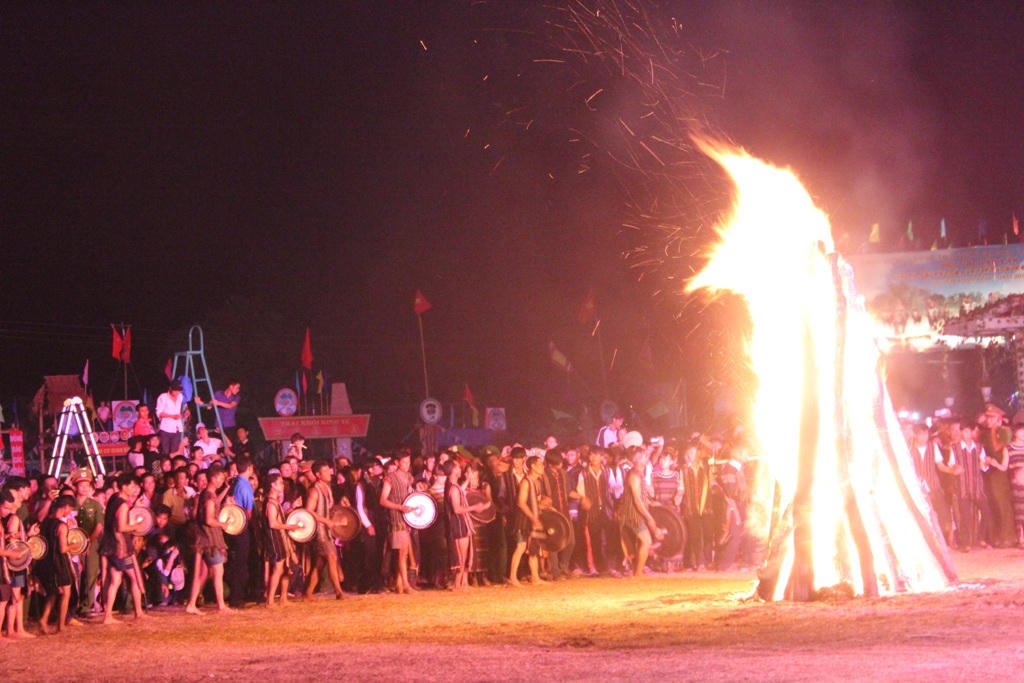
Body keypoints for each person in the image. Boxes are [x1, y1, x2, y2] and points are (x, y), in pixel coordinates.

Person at [100, 473, 147, 625]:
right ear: (124, 486)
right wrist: (136, 526)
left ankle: (136, 612)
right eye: (132, 486)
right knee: (127, 578)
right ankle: (110, 615)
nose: (134, 489)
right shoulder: (123, 504)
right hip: (120, 547)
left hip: (111, 544)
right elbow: (121, 526)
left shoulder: (115, 498)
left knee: (116, 579)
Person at [185, 464, 232, 614]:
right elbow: (209, 519)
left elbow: (214, 503)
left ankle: (191, 604)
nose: (221, 481)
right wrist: (223, 524)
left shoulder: (207, 494)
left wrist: (226, 489)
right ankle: (221, 605)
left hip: (203, 538)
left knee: (202, 573)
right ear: (213, 477)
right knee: (218, 571)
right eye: (220, 478)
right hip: (210, 538)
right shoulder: (209, 496)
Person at [37, 495, 81, 633]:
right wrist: (74, 545)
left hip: (46, 560)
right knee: (66, 593)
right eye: (70, 509)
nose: (70, 512)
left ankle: (44, 619)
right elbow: (63, 548)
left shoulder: (45, 522)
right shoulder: (61, 526)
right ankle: (60, 624)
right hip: (59, 562)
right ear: (66, 507)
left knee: (53, 592)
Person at [303, 461, 345, 600]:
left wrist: (339, 506)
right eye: (326, 471)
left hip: (327, 531)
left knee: (320, 563)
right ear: (318, 475)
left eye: (329, 470)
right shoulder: (315, 491)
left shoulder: (327, 488)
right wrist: (326, 521)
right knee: (332, 557)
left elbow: (328, 508)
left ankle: (308, 592)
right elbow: (308, 511)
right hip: (320, 532)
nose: (330, 473)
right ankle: (339, 591)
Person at [619, 447, 663, 577]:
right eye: (644, 456)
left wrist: (651, 503)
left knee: (642, 542)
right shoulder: (634, 475)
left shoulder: (638, 474)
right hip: (632, 514)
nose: (647, 457)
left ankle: (637, 572)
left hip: (636, 513)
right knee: (647, 541)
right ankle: (637, 573)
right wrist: (649, 518)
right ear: (639, 459)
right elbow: (637, 501)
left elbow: (641, 498)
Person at [379, 452, 416, 594]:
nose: (407, 465)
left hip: (408, 518)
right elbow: (382, 500)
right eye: (404, 462)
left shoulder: (409, 477)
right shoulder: (390, 478)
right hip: (396, 518)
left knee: (405, 552)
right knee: (401, 553)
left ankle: (400, 585)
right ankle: (405, 585)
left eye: (408, 462)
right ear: (397, 462)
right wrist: (400, 507)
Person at [979, 404, 1015, 547]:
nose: (988, 420)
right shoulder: (984, 434)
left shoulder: (1005, 431)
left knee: (1003, 504)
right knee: (992, 505)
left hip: (1001, 473)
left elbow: (997, 447)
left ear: (999, 419)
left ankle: (1008, 536)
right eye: (987, 417)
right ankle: (996, 536)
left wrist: (995, 430)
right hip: (988, 472)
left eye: (992, 418)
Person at [508, 455, 547, 587]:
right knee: (521, 547)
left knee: (534, 549)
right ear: (532, 466)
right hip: (523, 520)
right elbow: (521, 503)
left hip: (533, 519)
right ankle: (513, 578)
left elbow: (535, 502)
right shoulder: (526, 482)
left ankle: (535, 577)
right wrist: (533, 518)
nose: (542, 467)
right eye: (540, 464)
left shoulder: (537, 481)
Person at [443, 460, 481, 591]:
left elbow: (460, 491)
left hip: (458, 523)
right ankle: (457, 584)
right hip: (459, 523)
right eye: (458, 467)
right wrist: (474, 507)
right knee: (461, 556)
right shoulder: (453, 488)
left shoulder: (452, 485)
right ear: (453, 470)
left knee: (462, 556)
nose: (460, 469)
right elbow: (457, 509)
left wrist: (467, 480)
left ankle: (460, 583)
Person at [1, 488, 34, 638]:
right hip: (13, 565)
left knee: (13, 596)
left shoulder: (11, 517)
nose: (18, 499)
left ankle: (13, 629)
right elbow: (12, 544)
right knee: (12, 597)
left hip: (14, 563)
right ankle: (14, 629)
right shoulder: (13, 518)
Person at [263, 473, 300, 607]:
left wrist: (292, 508)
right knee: (278, 568)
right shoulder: (270, 503)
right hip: (276, 538)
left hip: (281, 537)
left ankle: (283, 598)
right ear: (272, 485)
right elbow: (273, 523)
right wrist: (290, 526)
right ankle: (270, 600)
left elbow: (279, 518)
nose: (282, 485)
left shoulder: (275, 502)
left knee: (286, 568)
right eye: (279, 483)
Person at [72, 468, 104, 616]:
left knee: (90, 574)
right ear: (75, 487)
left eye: (87, 485)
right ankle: (74, 605)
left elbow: (99, 526)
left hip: (91, 544)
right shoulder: (70, 504)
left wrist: (89, 542)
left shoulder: (95, 505)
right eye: (81, 485)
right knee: (76, 575)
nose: (84, 488)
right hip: (73, 545)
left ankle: (87, 606)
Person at [227, 458, 255, 607]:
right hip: (242, 526)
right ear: (249, 468)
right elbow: (248, 511)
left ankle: (238, 595)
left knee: (239, 562)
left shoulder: (236, 483)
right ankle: (237, 597)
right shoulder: (245, 485)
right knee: (241, 563)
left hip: (235, 526)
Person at [156, 380, 185, 456]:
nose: (177, 393)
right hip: (166, 429)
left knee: (174, 452)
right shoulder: (163, 397)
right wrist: (172, 416)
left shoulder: (180, 396)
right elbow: (159, 413)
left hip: (177, 428)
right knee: (165, 452)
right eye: (175, 390)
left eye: (178, 391)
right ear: (170, 389)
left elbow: (183, 407)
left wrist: (186, 412)